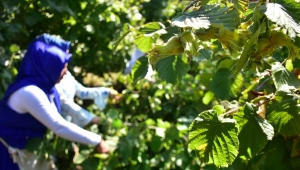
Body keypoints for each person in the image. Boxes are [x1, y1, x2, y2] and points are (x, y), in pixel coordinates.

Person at [0, 35, 109, 170]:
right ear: (48, 67)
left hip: (27, 153)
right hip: (12, 157)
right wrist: (96, 140)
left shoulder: (46, 86)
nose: (65, 72)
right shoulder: (29, 92)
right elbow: (58, 126)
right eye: (62, 67)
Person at [36, 33, 119, 128]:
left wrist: (107, 92)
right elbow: (64, 103)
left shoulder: (65, 74)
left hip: (67, 126)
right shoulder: (49, 78)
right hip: (55, 128)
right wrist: (91, 118)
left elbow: (81, 91)